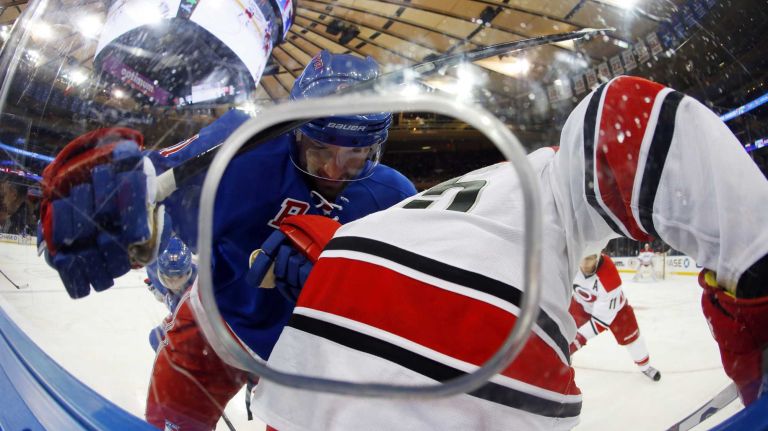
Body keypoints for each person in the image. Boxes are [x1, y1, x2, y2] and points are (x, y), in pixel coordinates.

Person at [243, 75, 768, 430]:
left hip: (304, 370)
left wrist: (329, 253)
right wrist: (754, 355)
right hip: (467, 337)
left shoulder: (496, 180)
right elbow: (635, 120)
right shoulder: (547, 238)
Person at [38, 50, 417, 430]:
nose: (335, 171)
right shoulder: (238, 151)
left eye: (355, 155)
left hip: (309, 359)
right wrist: (110, 198)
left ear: (375, 146)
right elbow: (155, 180)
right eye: (319, 150)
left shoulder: (394, 198)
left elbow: (404, 304)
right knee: (167, 423)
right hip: (214, 329)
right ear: (294, 130)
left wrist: (340, 282)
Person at [569, 253, 661, 381]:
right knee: (566, 330)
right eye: (583, 259)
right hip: (580, 303)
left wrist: (578, 340)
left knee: (632, 339)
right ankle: (566, 356)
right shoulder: (569, 259)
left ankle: (645, 366)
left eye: (589, 259)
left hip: (616, 311)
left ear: (597, 257)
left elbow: (601, 321)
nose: (585, 264)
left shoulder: (609, 276)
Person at [145, 237, 197, 351]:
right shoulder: (152, 270)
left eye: (179, 277)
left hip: (192, 323)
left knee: (156, 338)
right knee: (156, 338)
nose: (174, 285)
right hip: (180, 316)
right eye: (168, 278)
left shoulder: (198, 286)